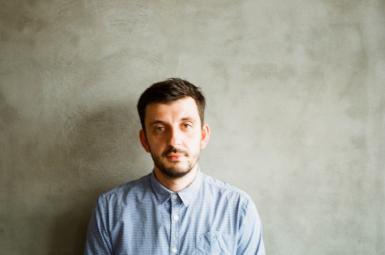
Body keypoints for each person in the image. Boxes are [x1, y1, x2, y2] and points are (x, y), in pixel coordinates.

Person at [84, 78, 265, 255]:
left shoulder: (238, 208)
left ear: (203, 136)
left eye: (186, 125)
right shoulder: (110, 209)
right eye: (160, 128)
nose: (174, 141)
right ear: (145, 140)